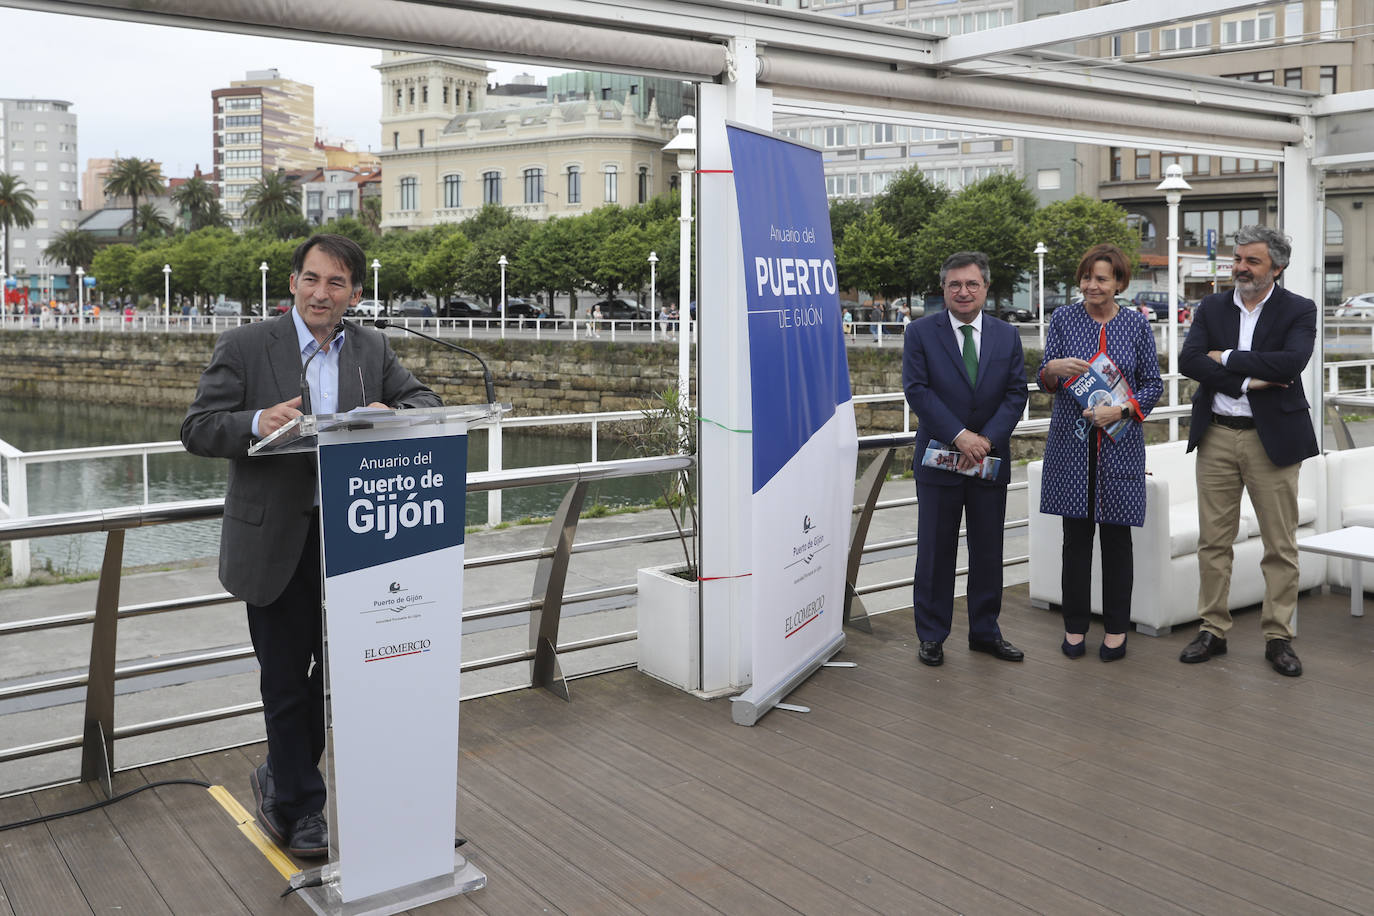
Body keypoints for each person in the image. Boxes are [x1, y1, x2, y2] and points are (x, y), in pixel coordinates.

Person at [180, 234, 441, 857]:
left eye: (337, 283)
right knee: (288, 683)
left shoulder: (370, 347)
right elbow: (196, 428)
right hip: (275, 545)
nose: (322, 293)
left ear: (355, 293)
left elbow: (424, 400)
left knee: (345, 676)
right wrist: (253, 422)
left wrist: (389, 412)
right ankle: (297, 806)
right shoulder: (246, 345)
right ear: (293, 283)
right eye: (313, 279)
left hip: (357, 541)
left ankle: (289, 775)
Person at [1177, 225, 1317, 677]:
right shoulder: (1212, 306)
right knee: (1213, 541)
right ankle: (1212, 629)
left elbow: (1291, 363)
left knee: (1280, 544)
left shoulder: (1299, 309)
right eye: (1237, 259)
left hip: (1271, 439)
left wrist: (1227, 357)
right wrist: (1248, 377)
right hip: (1216, 434)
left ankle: (1278, 637)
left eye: (1251, 261)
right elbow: (1189, 360)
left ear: (1277, 267)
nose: (1239, 268)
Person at [1037, 244, 1163, 662]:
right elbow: (1044, 375)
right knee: (1074, 540)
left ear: (1119, 283)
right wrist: (1051, 371)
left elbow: (1152, 384)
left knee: (1117, 540)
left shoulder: (1135, 325)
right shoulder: (1063, 319)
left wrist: (1121, 409)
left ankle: (1115, 631)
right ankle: (1074, 627)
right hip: (1071, 445)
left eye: (1102, 279)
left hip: (1120, 445)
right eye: (1087, 277)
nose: (1092, 285)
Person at [903, 251, 1028, 667]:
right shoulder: (920, 333)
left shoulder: (1006, 335)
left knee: (989, 550)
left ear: (985, 288)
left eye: (972, 284)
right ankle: (932, 635)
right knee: (935, 551)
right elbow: (918, 391)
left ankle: (985, 631)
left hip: (988, 461)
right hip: (940, 458)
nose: (963, 291)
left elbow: (1016, 394)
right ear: (943, 289)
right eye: (954, 284)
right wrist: (960, 436)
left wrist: (986, 439)